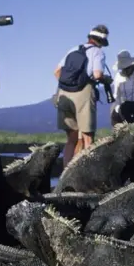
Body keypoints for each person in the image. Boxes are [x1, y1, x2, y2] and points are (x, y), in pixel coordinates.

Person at [54, 24, 112, 168]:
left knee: (71, 138)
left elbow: (56, 72)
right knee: (88, 137)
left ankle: (65, 173)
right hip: (84, 93)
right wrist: (106, 80)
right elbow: (97, 75)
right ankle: (86, 173)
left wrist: (69, 85)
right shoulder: (97, 52)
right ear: (101, 41)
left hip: (64, 93)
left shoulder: (73, 49)